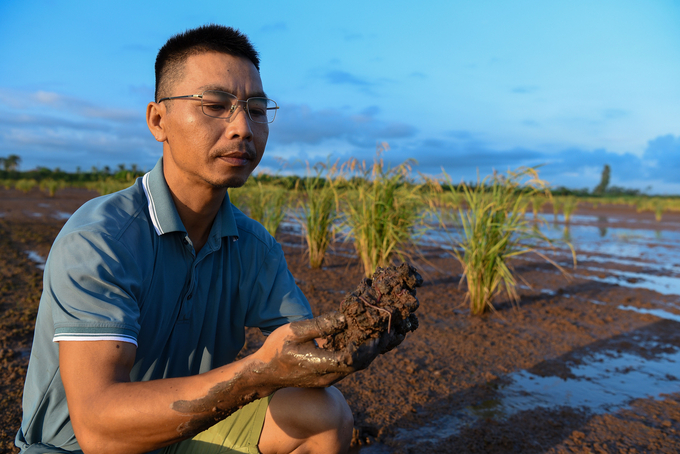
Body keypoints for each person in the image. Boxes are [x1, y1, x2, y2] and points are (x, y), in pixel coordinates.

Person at [16, 24, 406, 454]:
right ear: (158, 120)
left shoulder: (253, 247)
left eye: (257, 110)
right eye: (216, 105)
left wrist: (358, 329)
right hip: (79, 447)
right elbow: (99, 430)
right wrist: (257, 371)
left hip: (189, 432)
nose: (243, 127)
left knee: (322, 413)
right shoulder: (101, 240)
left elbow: (303, 348)